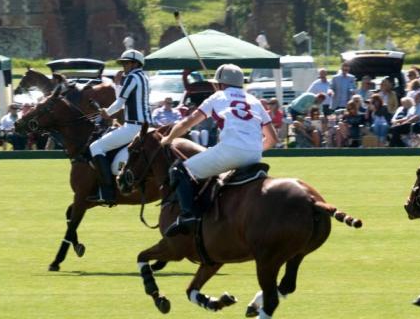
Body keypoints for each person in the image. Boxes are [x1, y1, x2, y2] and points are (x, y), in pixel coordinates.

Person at [160, 64, 277, 236]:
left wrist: (168, 139)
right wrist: (253, 149)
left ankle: (188, 216)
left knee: (179, 170)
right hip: (255, 155)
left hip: (229, 151)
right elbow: (273, 139)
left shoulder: (217, 97)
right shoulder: (254, 100)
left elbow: (187, 123)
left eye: (216, 84)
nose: (214, 87)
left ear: (221, 84)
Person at [87, 49, 150, 205]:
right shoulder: (144, 77)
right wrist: (117, 84)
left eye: (126, 63)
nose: (124, 67)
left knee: (95, 147)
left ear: (135, 64)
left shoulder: (132, 77)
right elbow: (123, 99)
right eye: (123, 63)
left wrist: (106, 113)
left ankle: (107, 192)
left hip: (133, 127)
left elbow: (120, 103)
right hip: (147, 125)